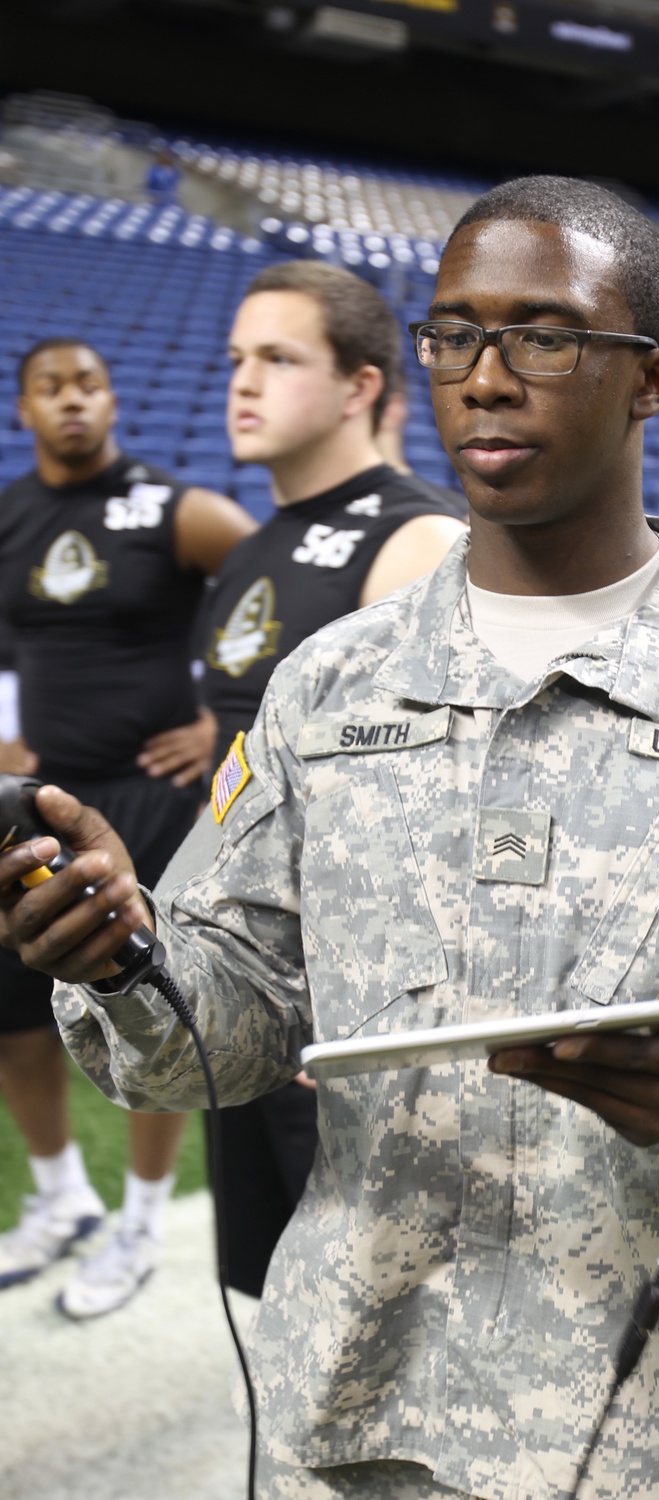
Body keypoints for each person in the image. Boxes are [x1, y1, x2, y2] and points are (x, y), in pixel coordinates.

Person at [0, 178, 659, 1500]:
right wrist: (125, 958)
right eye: (455, 335)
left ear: (654, 380)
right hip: (353, 1424)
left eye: (545, 335)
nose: (486, 375)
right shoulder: (328, 689)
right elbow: (216, 1039)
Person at [199, 259, 467, 1296]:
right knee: (265, 1299)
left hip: (349, 1022)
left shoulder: (416, 539)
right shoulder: (249, 543)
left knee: (375, 1314)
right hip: (238, 988)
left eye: (278, 357)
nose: (243, 382)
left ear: (361, 385)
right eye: (236, 359)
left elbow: (437, 815)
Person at [0, 337, 256, 1318]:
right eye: (51, 389)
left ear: (114, 402)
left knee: (149, 1014)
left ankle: (142, 1219)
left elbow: (275, 597)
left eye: (90, 385)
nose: (72, 402)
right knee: (14, 1010)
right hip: (39, 807)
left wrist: (214, 720)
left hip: (147, 802)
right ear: (25, 410)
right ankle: (63, 1197)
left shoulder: (172, 507)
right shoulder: (12, 519)